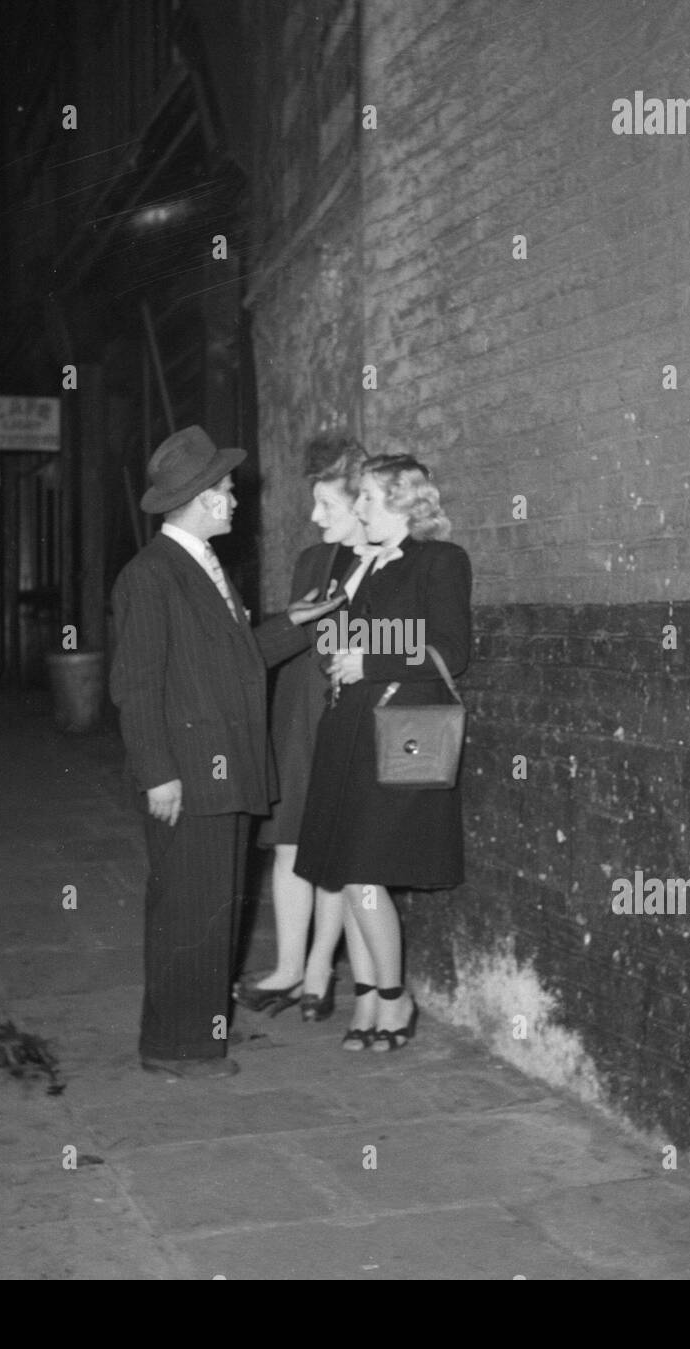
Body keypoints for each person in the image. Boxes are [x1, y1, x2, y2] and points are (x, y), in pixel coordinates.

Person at [109, 426, 343, 1080]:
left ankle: (199, 1037)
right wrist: (158, 773)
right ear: (199, 499)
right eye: (227, 489)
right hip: (187, 774)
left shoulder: (205, 569)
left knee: (214, 906)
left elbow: (236, 660)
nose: (235, 499)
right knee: (188, 907)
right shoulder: (152, 575)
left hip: (228, 769)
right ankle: (176, 1046)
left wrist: (301, 622)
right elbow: (135, 683)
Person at [294, 455, 472, 1051]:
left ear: (400, 502)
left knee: (365, 870)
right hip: (350, 728)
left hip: (401, 728)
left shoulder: (440, 561)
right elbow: (336, 641)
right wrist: (341, 642)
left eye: (367, 498)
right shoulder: (367, 565)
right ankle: (370, 993)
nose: (359, 508)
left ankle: (395, 998)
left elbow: (450, 647)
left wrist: (369, 658)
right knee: (347, 871)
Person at [237, 435, 381, 1044]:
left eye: (327, 504)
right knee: (289, 842)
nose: (314, 516)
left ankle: (320, 967)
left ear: (361, 504)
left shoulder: (386, 561)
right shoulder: (311, 561)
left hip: (344, 714)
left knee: (331, 849)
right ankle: (289, 966)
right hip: (298, 713)